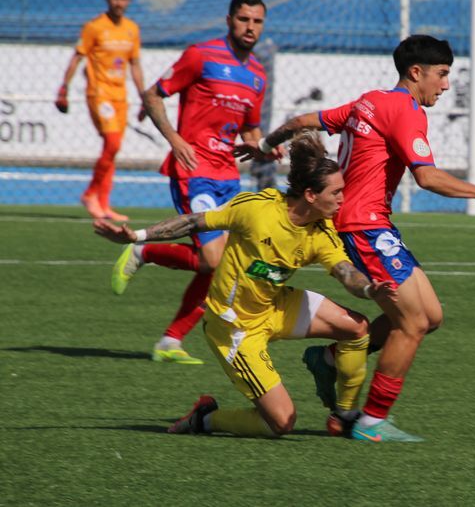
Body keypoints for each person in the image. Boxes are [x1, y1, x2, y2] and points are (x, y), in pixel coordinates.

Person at [236, 34, 475, 442]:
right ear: (415, 72)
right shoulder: (405, 110)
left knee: (431, 317)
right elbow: (427, 176)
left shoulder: (368, 100)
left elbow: (300, 123)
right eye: (441, 74)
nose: (445, 84)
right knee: (413, 323)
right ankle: (370, 421)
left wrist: (263, 144)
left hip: (374, 226)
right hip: (362, 227)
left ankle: (331, 359)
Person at [94, 132, 395, 437]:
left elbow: (345, 272)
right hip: (234, 327)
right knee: (280, 423)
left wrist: (369, 289)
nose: (343, 199)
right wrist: (137, 237)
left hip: (274, 305)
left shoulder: (322, 232)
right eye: (336, 193)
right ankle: (205, 419)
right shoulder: (258, 209)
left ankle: (343, 415)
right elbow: (193, 222)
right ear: (310, 195)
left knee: (358, 328)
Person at [111, 0, 278, 364]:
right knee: (214, 258)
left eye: (257, 21)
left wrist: (264, 148)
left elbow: (249, 132)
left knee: (221, 263)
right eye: (243, 19)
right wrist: (175, 139)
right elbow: (153, 95)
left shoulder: (257, 76)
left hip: (228, 179)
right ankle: (144, 249)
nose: (250, 27)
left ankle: (170, 342)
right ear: (229, 20)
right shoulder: (201, 55)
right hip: (194, 173)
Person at [55, 0, 146, 221]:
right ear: (108, 0)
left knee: (111, 149)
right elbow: (77, 57)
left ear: (129, 1)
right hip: (99, 93)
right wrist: (64, 88)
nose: (119, 3)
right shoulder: (94, 27)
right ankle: (90, 194)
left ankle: (104, 205)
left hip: (120, 96)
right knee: (113, 143)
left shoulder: (131, 29)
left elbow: (135, 64)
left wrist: (143, 96)